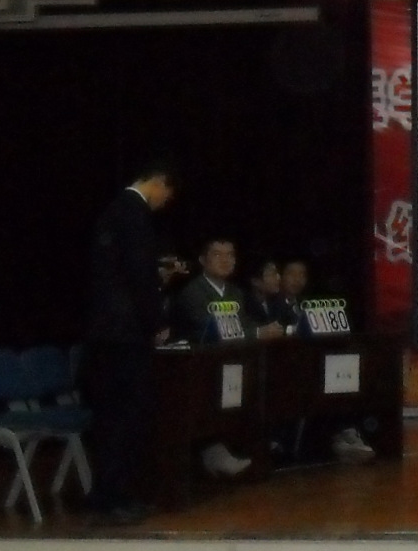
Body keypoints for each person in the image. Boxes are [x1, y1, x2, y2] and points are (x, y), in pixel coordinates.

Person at [83, 164, 175, 525]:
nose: (165, 202)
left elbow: (116, 272)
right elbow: (138, 276)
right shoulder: (135, 213)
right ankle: (115, 497)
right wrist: (157, 322)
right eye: (168, 194)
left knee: (110, 417)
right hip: (125, 333)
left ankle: (105, 494)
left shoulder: (112, 210)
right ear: (159, 182)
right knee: (126, 416)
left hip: (104, 332)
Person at [170, 237, 270, 478]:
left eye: (230, 255)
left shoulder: (236, 292)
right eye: (217, 254)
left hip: (230, 363)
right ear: (203, 260)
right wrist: (257, 333)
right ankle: (211, 451)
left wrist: (264, 330)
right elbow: (207, 328)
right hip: (193, 368)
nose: (225, 260)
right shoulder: (193, 292)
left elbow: (244, 323)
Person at [246, 258, 296, 331]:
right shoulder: (245, 305)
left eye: (277, 273)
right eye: (272, 274)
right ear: (255, 281)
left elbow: (294, 321)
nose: (278, 277)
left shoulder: (279, 300)